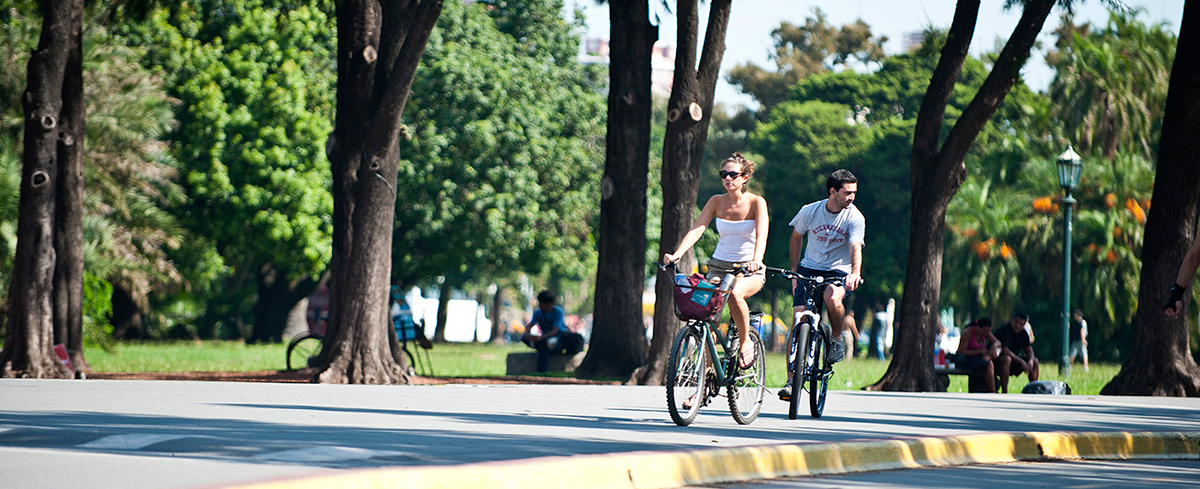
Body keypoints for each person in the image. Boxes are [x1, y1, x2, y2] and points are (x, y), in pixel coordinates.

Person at [663, 153, 768, 369]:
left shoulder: (756, 202)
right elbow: (697, 228)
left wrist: (756, 260)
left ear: (744, 177)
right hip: (719, 265)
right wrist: (677, 254)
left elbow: (762, 235)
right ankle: (705, 381)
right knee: (707, 318)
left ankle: (746, 340)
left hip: (749, 267)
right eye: (723, 175)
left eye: (733, 174)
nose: (728, 179)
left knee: (735, 293)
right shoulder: (716, 201)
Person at [778, 169, 865, 399]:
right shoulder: (810, 211)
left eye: (854, 192)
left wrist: (855, 272)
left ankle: (836, 338)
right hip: (809, 267)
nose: (852, 197)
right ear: (833, 191)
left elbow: (855, 246)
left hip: (839, 271)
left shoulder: (855, 217)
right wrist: (795, 272)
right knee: (799, 319)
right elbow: (796, 237)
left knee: (832, 297)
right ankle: (790, 380)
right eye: (847, 193)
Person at [522, 290, 571, 373]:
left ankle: (541, 369)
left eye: (542, 303)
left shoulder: (558, 312)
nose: (540, 305)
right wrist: (527, 334)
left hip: (557, 337)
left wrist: (541, 338)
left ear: (549, 303)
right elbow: (530, 325)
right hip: (544, 338)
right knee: (529, 340)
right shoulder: (538, 313)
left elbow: (555, 330)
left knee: (545, 345)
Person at [993, 312, 1039, 393]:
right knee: (1007, 359)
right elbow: (1005, 350)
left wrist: (1030, 362)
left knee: (1035, 361)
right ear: (1012, 320)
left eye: (1021, 324)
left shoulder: (1023, 333)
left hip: (1015, 360)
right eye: (1016, 322)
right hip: (999, 361)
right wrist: (1022, 362)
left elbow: (1028, 350)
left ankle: (1033, 388)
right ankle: (1004, 391)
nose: (1018, 326)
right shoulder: (1005, 330)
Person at [955, 317, 1001, 393]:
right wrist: (979, 351)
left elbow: (998, 342)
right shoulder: (968, 333)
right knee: (989, 364)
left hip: (981, 358)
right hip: (969, 359)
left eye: (988, 331)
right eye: (984, 331)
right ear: (978, 327)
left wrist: (994, 346)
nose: (986, 334)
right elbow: (961, 351)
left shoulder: (986, 333)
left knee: (993, 361)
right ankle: (993, 391)